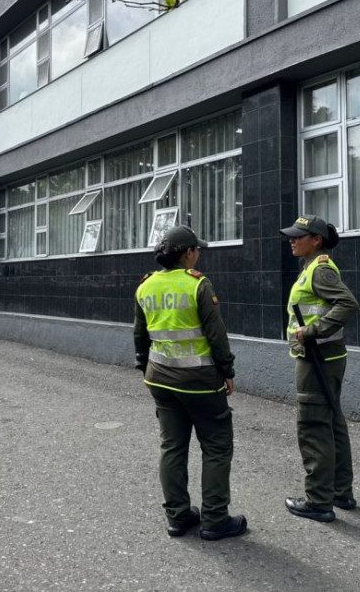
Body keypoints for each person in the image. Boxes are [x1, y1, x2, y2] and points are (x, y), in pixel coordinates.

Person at [134, 225, 246, 541]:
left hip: (160, 379)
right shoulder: (197, 284)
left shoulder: (145, 286)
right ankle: (215, 519)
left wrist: (144, 367)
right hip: (200, 381)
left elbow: (140, 334)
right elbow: (216, 334)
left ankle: (178, 517)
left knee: (172, 446)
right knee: (216, 447)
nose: (198, 255)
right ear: (188, 253)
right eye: (197, 250)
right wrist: (227, 370)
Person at [280, 214, 359, 523]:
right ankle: (340, 492)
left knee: (314, 426)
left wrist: (312, 331)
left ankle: (318, 501)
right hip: (326, 358)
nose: (292, 240)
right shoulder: (312, 268)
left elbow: (347, 303)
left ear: (316, 240)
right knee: (332, 423)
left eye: (298, 236)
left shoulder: (320, 270)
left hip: (317, 359)